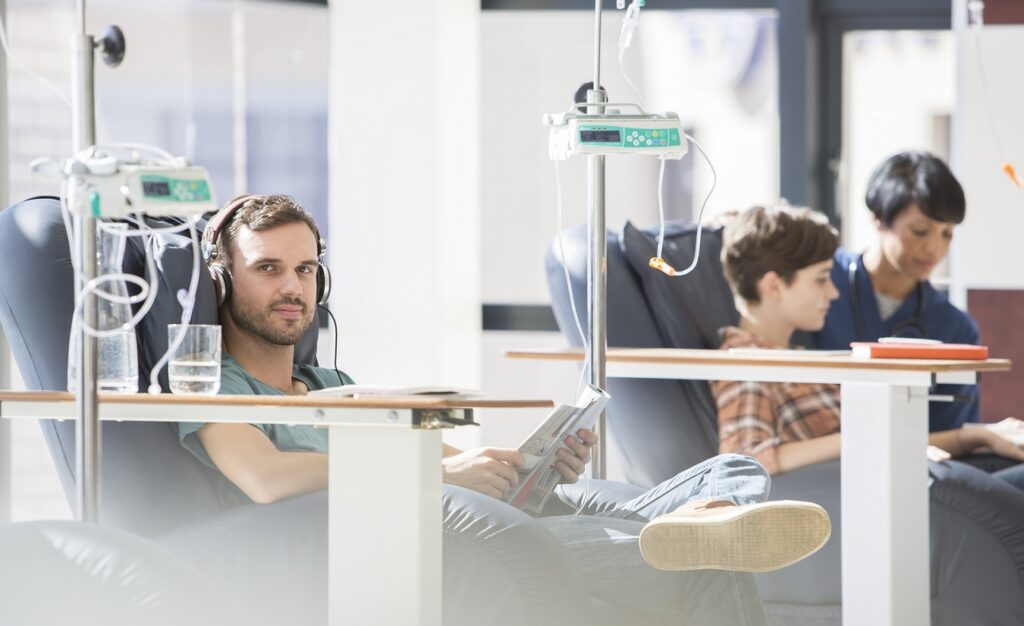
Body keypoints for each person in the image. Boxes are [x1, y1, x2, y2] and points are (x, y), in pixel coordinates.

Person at [179, 194, 832, 625]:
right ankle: (694, 533)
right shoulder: (214, 384)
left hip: (463, 503)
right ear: (222, 279)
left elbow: (424, 453)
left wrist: (512, 461)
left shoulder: (332, 381)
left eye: (305, 268)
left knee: (736, 467)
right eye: (268, 269)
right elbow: (264, 479)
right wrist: (443, 479)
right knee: (707, 563)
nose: (293, 286)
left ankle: (710, 516)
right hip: (414, 533)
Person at [712, 204, 1024, 489]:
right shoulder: (747, 364)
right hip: (877, 498)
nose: (833, 293)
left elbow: (865, 442)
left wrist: (973, 435)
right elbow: (745, 459)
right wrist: (864, 440)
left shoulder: (791, 359)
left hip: (900, 479)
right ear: (774, 286)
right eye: (821, 279)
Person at [813, 152, 979, 435]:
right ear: (879, 219)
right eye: (920, 231)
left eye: (946, 234)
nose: (934, 249)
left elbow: (952, 437)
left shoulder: (955, 329)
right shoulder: (819, 283)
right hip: (817, 462)